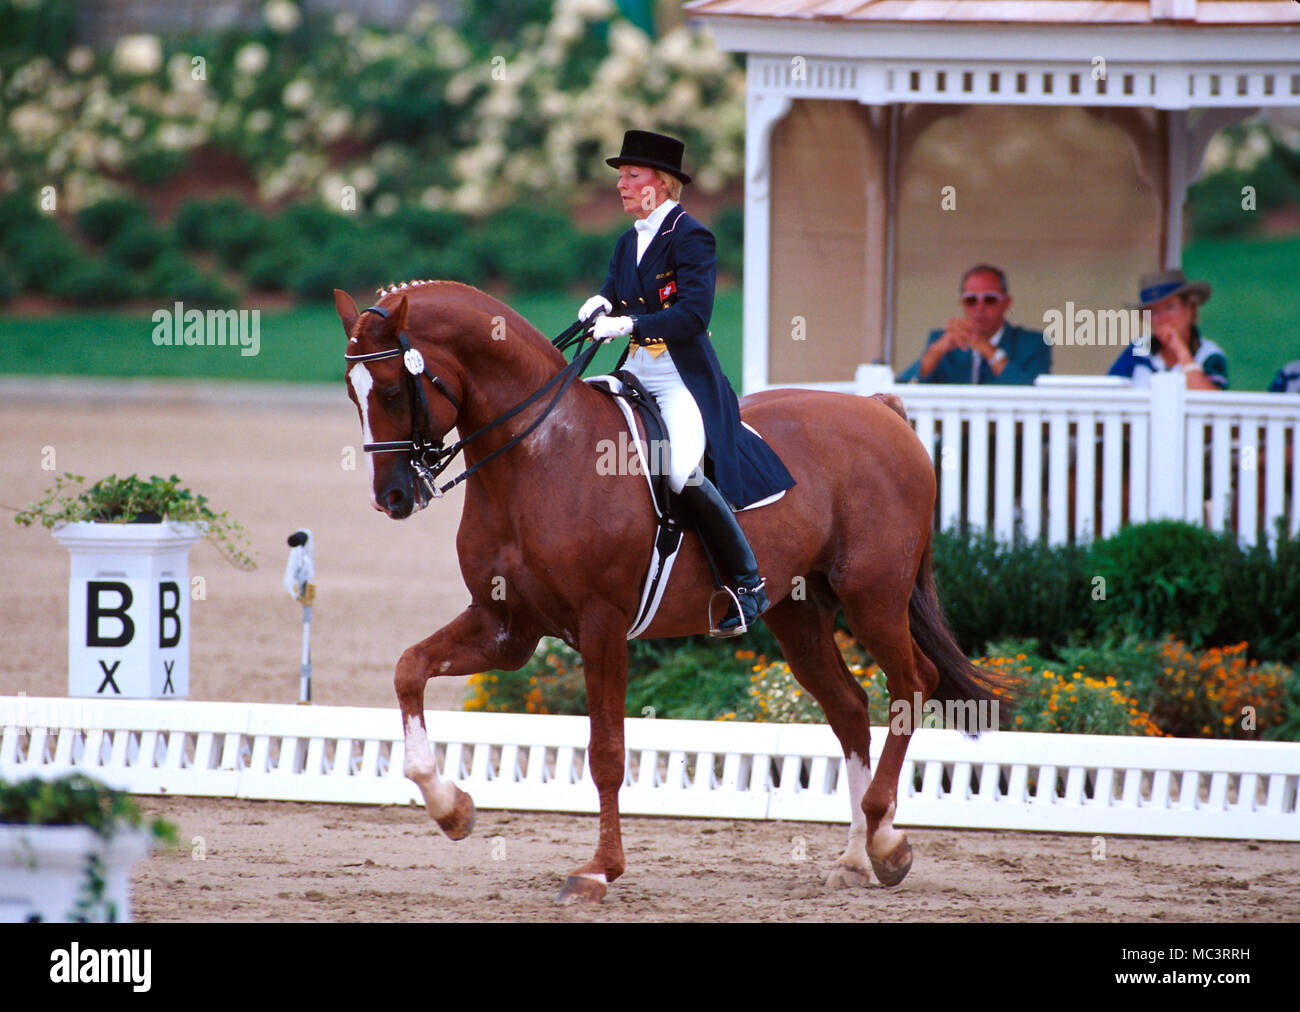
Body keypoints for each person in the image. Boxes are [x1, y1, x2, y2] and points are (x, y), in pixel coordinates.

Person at [577, 130, 795, 636]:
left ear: (662, 182)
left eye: (632, 176)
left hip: (679, 379)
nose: (622, 186)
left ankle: (747, 584)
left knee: (678, 472)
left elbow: (693, 315)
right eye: (621, 177)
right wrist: (602, 305)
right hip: (635, 372)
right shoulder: (627, 239)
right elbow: (616, 293)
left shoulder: (691, 235)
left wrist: (631, 325)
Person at [896, 265, 1050, 385]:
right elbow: (902, 389)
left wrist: (989, 351)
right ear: (962, 303)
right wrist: (936, 351)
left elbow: (1036, 395)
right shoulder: (941, 341)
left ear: (1006, 303)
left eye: (990, 299)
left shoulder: (1033, 343)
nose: (980, 307)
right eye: (971, 300)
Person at [1108, 269, 1227, 390]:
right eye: (1153, 311)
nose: (1162, 318)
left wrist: (1182, 351)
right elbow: (1110, 393)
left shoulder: (1209, 354)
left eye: (1169, 307)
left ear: (1190, 308)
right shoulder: (1139, 349)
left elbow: (1212, 403)